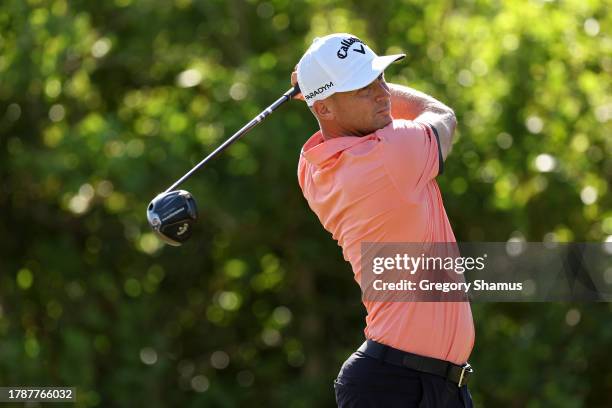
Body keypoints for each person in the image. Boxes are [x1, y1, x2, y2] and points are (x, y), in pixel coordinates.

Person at [291, 33, 475, 407]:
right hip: (398, 386)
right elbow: (443, 116)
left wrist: (316, 91)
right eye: (362, 87)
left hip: (424, 384)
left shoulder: (311, 168)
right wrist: (310, 88)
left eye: (381, 78)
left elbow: (345, 114)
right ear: (324, 109)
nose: (383, 93)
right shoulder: (389, 154)